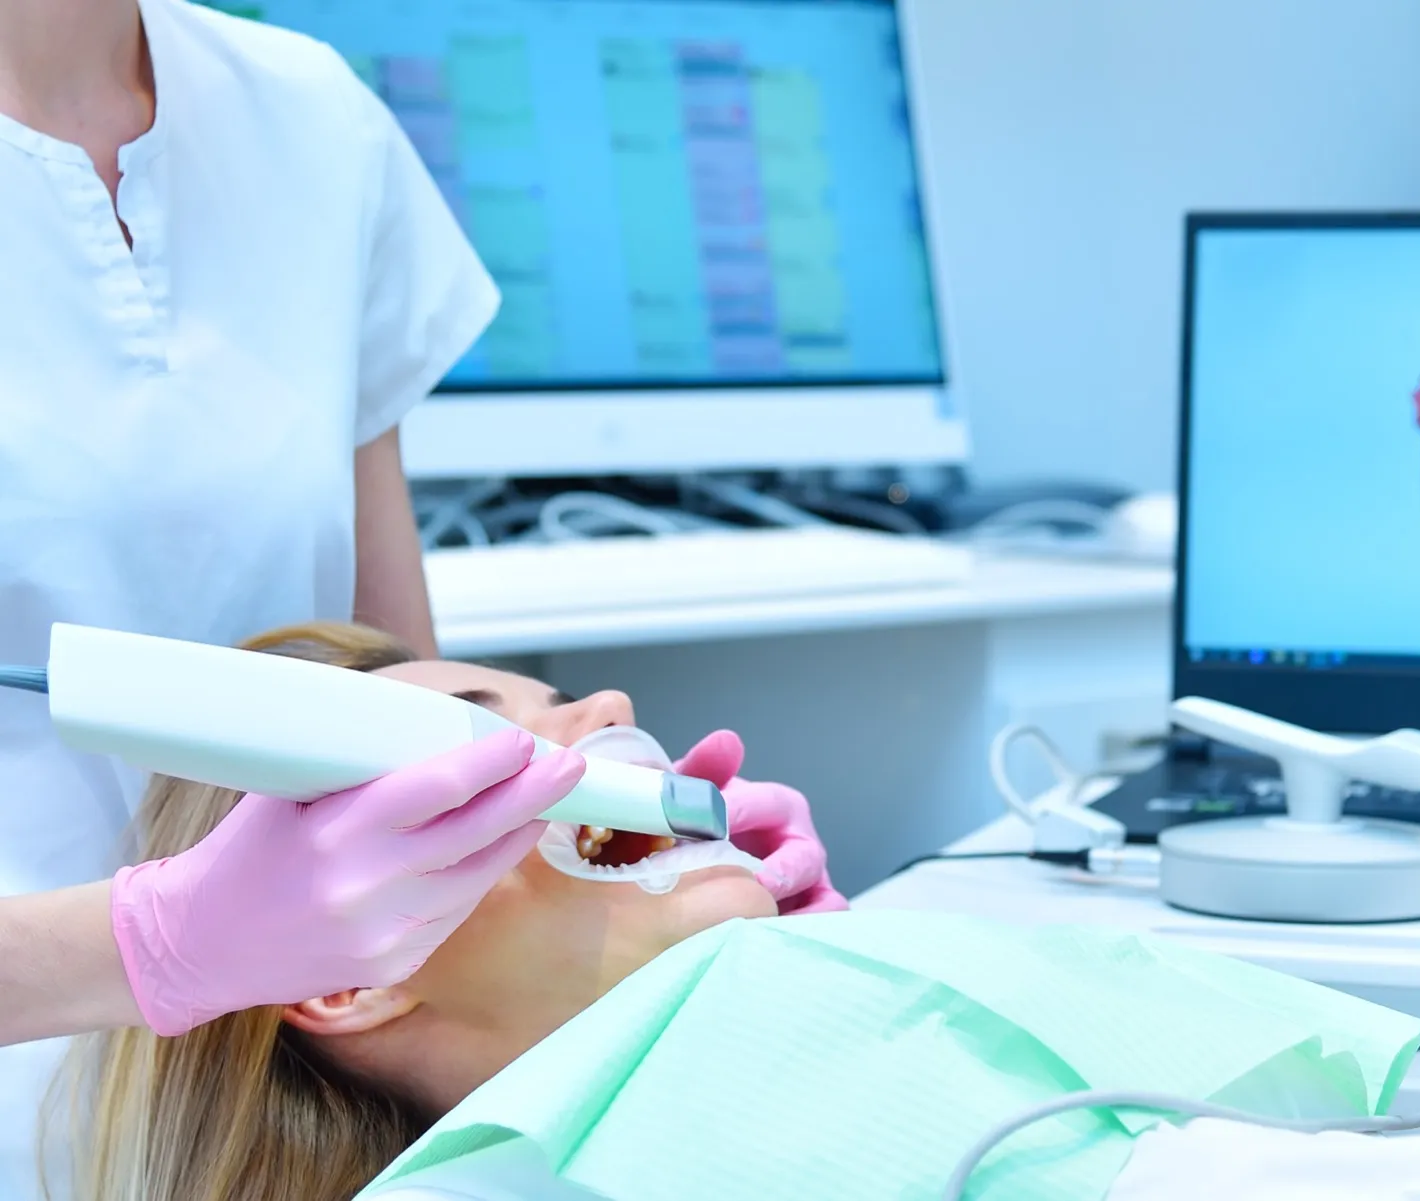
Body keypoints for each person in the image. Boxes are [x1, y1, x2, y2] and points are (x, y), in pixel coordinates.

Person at [0, 0, 839, 1194]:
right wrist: (156, 943)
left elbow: (400, 680)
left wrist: (642, 861)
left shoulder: (308, 117)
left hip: (311, 1117)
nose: (604, 706)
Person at [58, 623, 1420, 1201]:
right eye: (485, 730)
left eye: (556, 697)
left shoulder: (866, 976)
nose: (605, 709)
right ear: (337, 969)